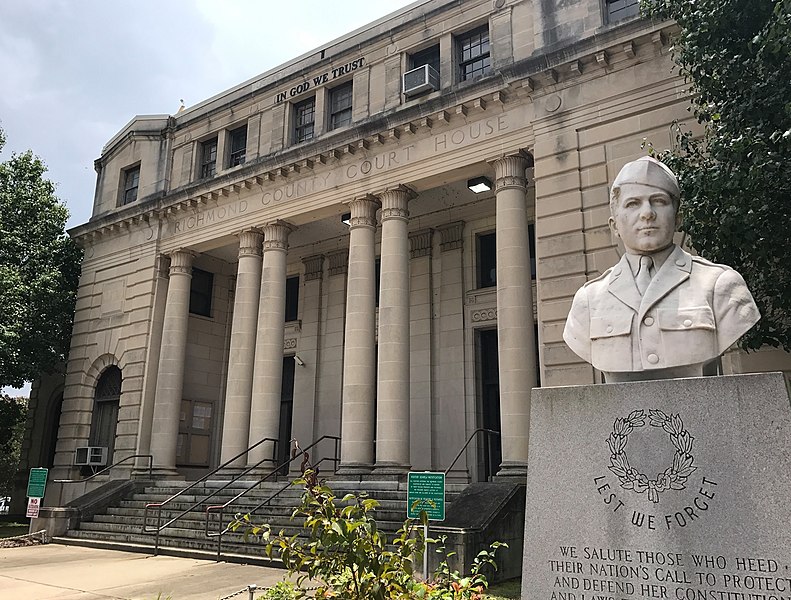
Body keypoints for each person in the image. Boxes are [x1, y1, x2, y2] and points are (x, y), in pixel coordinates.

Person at [563, 156, 760, 382]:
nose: (647, 213)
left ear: (678, 219)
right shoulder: (588, 300)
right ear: (614, 225)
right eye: (633, 203)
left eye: (658, 201)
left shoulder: (720, 285)